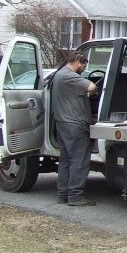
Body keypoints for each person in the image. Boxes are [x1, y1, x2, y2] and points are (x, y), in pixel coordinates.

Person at [52, 51, 98, 206]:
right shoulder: (69, 76)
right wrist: (93, 93)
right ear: (78, 61)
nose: (84, 69)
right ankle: (75, 196)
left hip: (63, 124)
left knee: (65, 161)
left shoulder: (58, 75)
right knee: (79, 160)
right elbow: (91, 86)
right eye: (83, 65)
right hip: (75, 126)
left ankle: (63, 194)